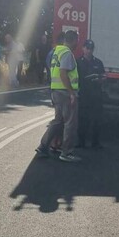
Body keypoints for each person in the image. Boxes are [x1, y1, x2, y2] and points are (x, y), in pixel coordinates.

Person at [35, 30, 81, 163]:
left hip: (56, 91)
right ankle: (67, 152)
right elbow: (63, 73)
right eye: (77, 41)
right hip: (65, 92)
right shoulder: (67, 53)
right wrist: (72, 92)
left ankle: (43, 146)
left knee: (58, 121)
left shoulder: (57, 51)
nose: (77, 44)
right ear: (73, 40)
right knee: (70, 123)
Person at [76, 39, 106, 148]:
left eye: (91, 48)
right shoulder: (78, 62)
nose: (89, 51)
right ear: (83, 48)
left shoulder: (98, 62)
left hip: (96, 94)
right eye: (87, 48)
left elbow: (103, 76)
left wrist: (101, 79)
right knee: (82, 119)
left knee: (97, 119)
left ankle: (95, 142)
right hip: (84, 94)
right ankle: (81, 142)